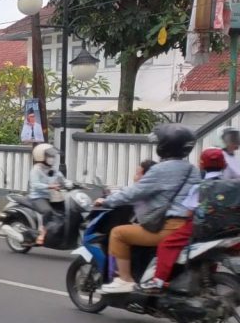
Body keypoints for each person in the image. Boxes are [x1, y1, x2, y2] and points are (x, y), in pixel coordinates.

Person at [95, 124, 199, 294]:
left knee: (118, 233)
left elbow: (134, 192)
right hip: (189, 226)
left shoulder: (160, 169)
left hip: (169, 227)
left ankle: (124, 280)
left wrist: (106, 202)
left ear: (165, 145)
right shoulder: (192, 169)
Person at [140, 148, 226, 293]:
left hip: (201, 227)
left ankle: (158, 281)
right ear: (224, 164)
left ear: (202, 164)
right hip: (224, 228)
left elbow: (189, 211)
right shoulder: (230, 184)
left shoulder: (200, 187)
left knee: (166, 245)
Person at [27, 143, 69, 246]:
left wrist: (74, 184)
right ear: (41, 157)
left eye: (53, 156)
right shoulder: (36, 170)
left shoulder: (53, 170)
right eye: (49, 156)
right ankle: (42, 234)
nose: (52, 159)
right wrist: (49, 186)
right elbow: (35, 185)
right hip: (38, 197)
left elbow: (63, 180)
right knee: (47, 211)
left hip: (52, 197)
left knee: (65, 211)